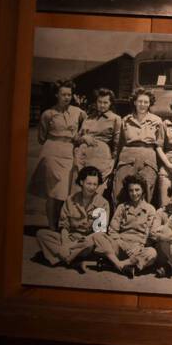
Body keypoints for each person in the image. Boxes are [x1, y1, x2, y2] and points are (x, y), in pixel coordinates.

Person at [29, 80, 85, 230]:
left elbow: (87, 126)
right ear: (56, 95)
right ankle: (52, 226)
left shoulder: (78, 112)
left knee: (64, 192)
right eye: (63, 94)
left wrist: (78, 138)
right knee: (53, 192)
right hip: (52, 152)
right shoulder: (48, 114)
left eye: (69, 94)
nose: (67, 97)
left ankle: (60, 224)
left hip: (69, 152)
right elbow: (41, 138)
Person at [34, 165, 107, 272]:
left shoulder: (103, 203)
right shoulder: (70, 200)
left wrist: (68, 247)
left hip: (86, 242)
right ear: (81, 182)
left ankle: (63, 257)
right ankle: (72, 260)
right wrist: (65, 244)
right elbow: (64, 226)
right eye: (89, 184)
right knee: (41, 234)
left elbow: (99, 233)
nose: (92, 187)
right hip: (70, 238)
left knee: (90, 243)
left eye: (95, 184)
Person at [92, 176, 157, 278]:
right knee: (98, 236)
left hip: (137, 249)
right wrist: (124, 245)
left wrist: (139, 246)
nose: (134, 193)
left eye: (137, 190)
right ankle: (123, 266)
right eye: (131, 190)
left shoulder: (150, 209)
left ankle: (116, 264)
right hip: (120, 245)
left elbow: (150, 235)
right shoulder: (122, 207)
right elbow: (113, 231)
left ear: (143, 190)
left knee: (152, 253)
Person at [112, 88, 163, 209]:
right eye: (140, 101)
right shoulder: (126, 120)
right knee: (119, 192)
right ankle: (120, 222)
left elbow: (160, 145)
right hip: (127, 157)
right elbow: (120, 144)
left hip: (148, 159)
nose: (142, 105)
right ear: (134, 102)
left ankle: (141, 224)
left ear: (150, 103)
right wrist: (114, 165)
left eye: (146, 102)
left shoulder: (157, 121)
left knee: (146, 192)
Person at [74, 88, 121, 203]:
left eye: (105, 102)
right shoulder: (88, 117)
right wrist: (84, 138)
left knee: (97, 191)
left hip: (100, 157)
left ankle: (97, 220)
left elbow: (117, 144)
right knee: (80, 191)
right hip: (82, 157)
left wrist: (112, 163)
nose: (102, 105)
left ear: (110, 103)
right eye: (100, 102)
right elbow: (76, 139)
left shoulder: (115, 119)